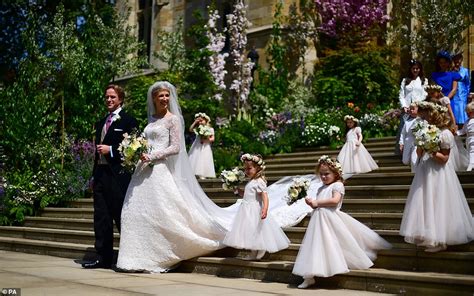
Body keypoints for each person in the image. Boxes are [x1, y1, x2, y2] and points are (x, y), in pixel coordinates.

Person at [116, 81, 236, 273]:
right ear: (154, 98)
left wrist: (153, 155)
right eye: (160, 96)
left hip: (160, 169)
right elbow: (147, 141)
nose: (164, 99)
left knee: (162, 213)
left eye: (167, 95)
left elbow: (176, 147)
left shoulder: (173, 120)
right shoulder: (152, 119)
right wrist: (134, 150)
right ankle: (134, 256)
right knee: (134, 212)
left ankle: (160, 254)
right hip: (142, 170)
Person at [292, 155, 391, 289]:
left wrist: (317, 202)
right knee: (315, 245)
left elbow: (335, 201)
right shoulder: (321, 188)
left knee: (334, 243)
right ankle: (309, 276)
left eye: (326, 174)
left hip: (331, 219)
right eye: (321, 174)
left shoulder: (338, 185)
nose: (323, 177)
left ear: (336, 173)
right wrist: (311, 203)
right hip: (318, 220)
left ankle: (333, 266)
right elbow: (319, 202)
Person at [400, 101, 474, 252]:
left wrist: (430, 150)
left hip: (439, 172)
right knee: (426, 202)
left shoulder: (446, 134)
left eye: (427, 115)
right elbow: (419, 154)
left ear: (435, 115)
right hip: (425, 170)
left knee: (439, 202)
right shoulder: (425, 130)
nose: (425, 118)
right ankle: (429, 236)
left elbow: (445, 159)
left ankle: (440, 241)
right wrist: (421, 145)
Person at [82, 84, 139, 269]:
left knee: (120, 216)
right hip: (100, 175)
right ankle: (102, 257)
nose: (109, 100)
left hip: (118, 176)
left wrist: (111, 150)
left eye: (112, 97)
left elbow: (134, 149)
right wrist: (93, 176)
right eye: (106, 97)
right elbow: (97, 153)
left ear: (120, 99)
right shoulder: (101, 122)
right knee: (101, 217)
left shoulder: (129, 121)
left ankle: (129, 257)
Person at [223, 154, 290, 260]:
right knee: (249, 232)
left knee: (255, 230)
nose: (246, 171)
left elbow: (265, 196)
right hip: (246, 210)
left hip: (254, 210)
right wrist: (237, 190)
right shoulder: (251, 182)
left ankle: (261, 247)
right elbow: (246, 194)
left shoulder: (260, 182)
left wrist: (265, 208)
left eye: (249, 168)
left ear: (257, 168)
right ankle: (253, 252)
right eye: (245, 169)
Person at [425, 85, 469, 171]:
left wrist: (454, 124)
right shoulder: (428, 102)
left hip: (445, 123)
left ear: (437, 92)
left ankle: (450, 164)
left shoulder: (444, 100)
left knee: (447, 143)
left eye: (433, 92)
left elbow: (450, 112)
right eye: (429, 93)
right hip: (434, 125)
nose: (431, 94)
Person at [395, 59, 427, 154]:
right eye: (414, 68)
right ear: (410, 69)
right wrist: (404, 106)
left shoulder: (423, 80)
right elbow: (401, 94)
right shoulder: (405, 81)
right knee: (404, 129)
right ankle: (402, 150)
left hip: (418, 108)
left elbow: (424, 94)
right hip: (407, 109)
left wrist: (418, 104)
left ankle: (418, 150)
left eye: (417, 68)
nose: (415, 70)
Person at [431, 51, 462, 124]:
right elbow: (433, 88)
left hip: (449, 100)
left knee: (449, 122)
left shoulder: (453, 74)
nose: (443, 64)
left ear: (448, 63)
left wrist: (446, 99)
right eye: (441, 62)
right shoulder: (434, 75)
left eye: (445, 62)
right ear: (438, 63)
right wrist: (440, 99)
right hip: (438, 101)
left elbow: (454, 89)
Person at [188, 112, 216, 179]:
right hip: (197, 146)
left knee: (204, 158)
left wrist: (206, 139)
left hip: (205, 146)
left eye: (201, 121)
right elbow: (190, 129)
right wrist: (195, 122)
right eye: (199, 121)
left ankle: (203, 174)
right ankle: (195, 174)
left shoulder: (210, 129)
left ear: (206, 120)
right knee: (196, 158)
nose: (200, 122)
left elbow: (212, 139)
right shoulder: (197, 129)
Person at [399, 103, 421, 172]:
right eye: (410, 109)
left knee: (414, 160)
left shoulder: (420, 120)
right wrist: (401, 143)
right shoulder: (407, 121)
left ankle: (414, 175)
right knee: (405, 161)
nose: (411, 110)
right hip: (408, 141)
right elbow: (403, 133)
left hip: (416, 141)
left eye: (413, 109)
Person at [452, 53, 471, 126]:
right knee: (456, 108)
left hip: (463, 93)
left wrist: (468, 93)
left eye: (459, 59)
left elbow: (468, 83)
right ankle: (456, 124)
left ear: (461, 60)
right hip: (455, 93)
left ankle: (464, 125)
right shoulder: (451, 70)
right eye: (455, 59)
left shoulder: (465, 71)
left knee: (463, 108)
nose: (457, 61)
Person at [457, 102, 474, 171]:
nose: (468, 114)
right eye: (467, 113)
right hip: (468, 139)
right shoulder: (467, 121)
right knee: (470, 151)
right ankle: (471, 163)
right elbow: (463, 131)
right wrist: (456, 133)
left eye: (470, 112)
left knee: (472, 151)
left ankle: (471, 165)